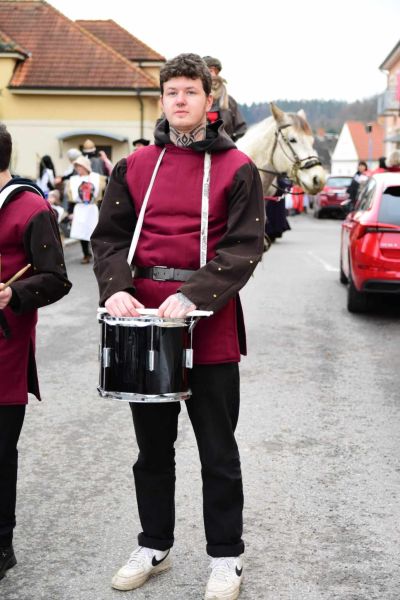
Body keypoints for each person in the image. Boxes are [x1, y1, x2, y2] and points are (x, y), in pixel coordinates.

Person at [91, 53, 265, 599]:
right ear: (162, 99)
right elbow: (109, 238)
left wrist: (192, 295)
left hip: (209, 322)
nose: (181, 100)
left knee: (218, 450)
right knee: (152, 450)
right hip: (145, 324)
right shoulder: (134, 166)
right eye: (172, 92)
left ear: (209, 100)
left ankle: (226, 556)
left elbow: (245, 247)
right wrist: (115, 288)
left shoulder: (238, 167)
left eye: (191, 91)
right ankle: (154, 545)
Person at [0, 123, 72, 581]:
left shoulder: (31, 207)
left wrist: (14, 293)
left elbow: (57, 279)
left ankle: (1, 544)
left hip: (4, 344)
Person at [66, 155, 106, 264]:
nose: (78, 169)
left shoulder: (97, 178)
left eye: (80, 166)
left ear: (86, 167)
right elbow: (71, 198)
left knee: (94, 232)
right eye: (77, 167)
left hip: (92, 208)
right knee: (82, 233)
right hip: (80, 208)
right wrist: (70, 211)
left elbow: (103, 196)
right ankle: (86, 254)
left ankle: (98, 255)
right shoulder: (74, 180)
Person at [202, 56, 247, 142]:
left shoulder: (229, 101)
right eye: (209, 71)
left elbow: (241, 127)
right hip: (200, 147)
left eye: (215, 71)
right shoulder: (194, 101)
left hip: (224, 146)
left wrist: (231, 140)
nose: (213, 75)